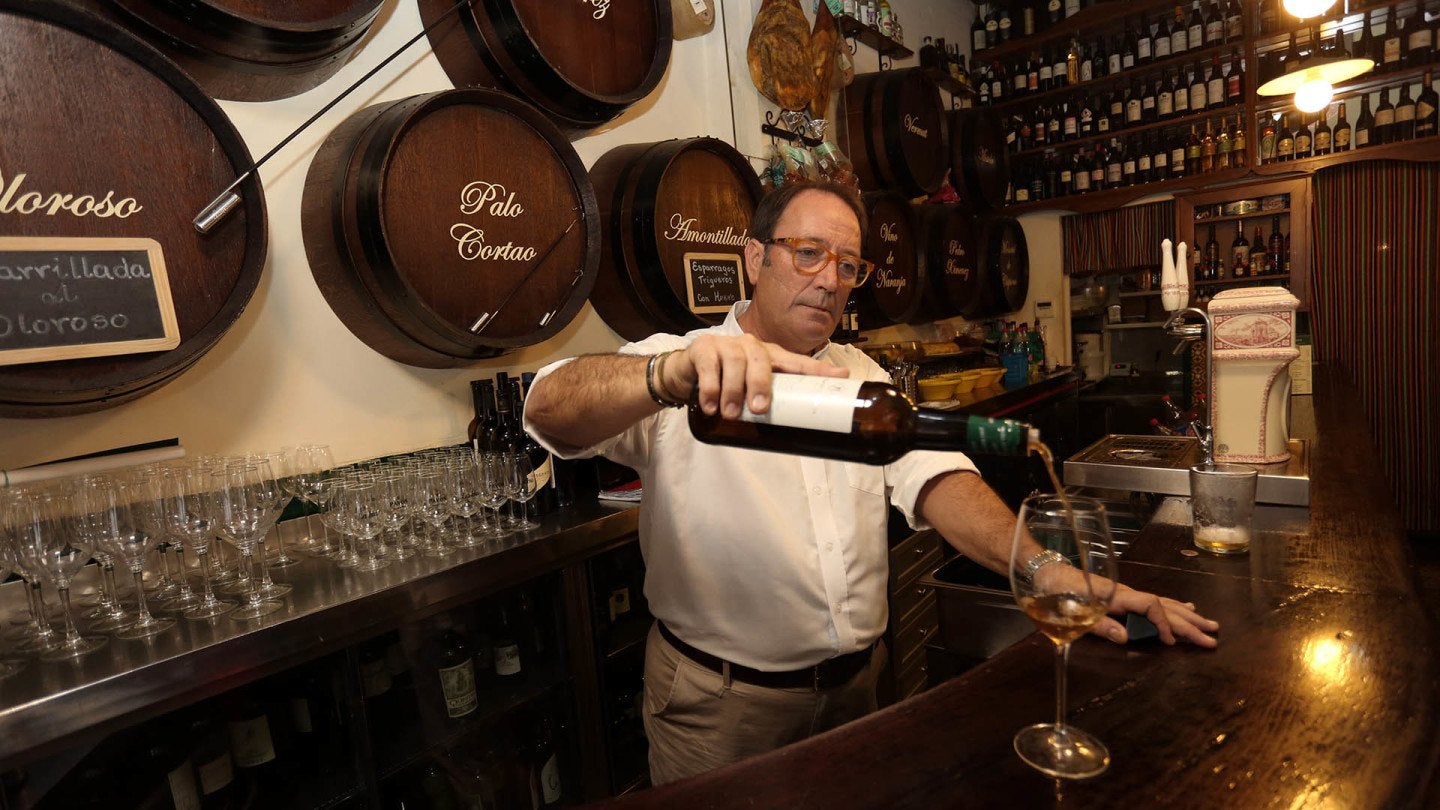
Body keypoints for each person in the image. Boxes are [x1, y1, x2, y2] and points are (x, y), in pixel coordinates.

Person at [522, 180, 1220, 785]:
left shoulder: (863, 377)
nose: (830, 278)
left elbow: (939, 478)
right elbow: (547, 405)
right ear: (755, 257)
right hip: (721, 711)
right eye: (808, 254)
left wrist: (1043, 567)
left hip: (861, 689)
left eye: (848, 264)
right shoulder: (685, 362)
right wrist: (666, 377)